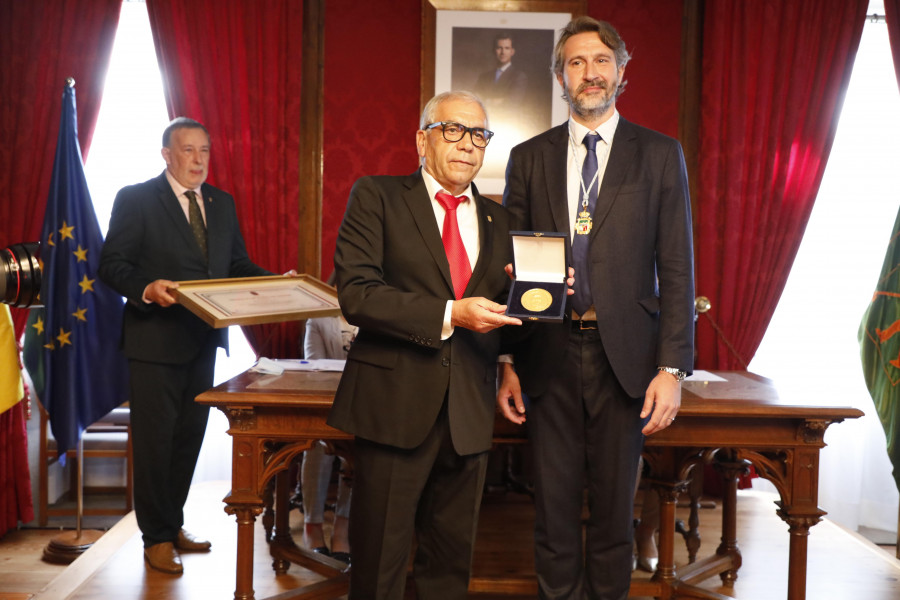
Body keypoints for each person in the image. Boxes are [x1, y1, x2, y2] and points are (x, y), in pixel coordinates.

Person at [496, 16, 695, 600]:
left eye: (601, 61)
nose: (590, 73)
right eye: (577, 62)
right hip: (546, 355)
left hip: (628, 358)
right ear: (560, 75)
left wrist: (673, 368)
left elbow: (677, 267)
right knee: (552, 513)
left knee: (614, 516)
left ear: (621, 73)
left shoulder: (660, 155)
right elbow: (509, 265)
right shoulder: (529, 157)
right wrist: (507, 358)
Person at [327, 90, 522, 599]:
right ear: (422, 139)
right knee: (378, 566)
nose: (468, 144)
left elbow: (505, 306)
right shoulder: (378, 196)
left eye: (479, 134)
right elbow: (357, 295)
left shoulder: (499, 221)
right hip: (394, 408)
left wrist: (545, 295)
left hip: (469, 414)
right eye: (453, 130)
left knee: (450, 567)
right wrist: (448, 314)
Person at [99, 117, 281, 576]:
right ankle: (155, 538)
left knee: (186, 442)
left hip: (203, 341)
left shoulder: (221, 204)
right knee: (156, 446)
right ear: (166, 154)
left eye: (204, 151)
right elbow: (112, 265)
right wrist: (146, 287)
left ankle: (172, 524)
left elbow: (235, 264)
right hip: (154, 342)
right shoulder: (135, 199)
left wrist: (276, 283)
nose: (198, 160)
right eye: (188, 151)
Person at [298, 290, 356, 564]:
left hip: (366, 399)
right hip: (325, 399)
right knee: (318, 446)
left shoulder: (376, 311)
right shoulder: (319, 318)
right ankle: (313, 525)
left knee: (360, 451)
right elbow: (313, 364)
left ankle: (343, 527)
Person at [473, 32, 528, 110]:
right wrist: (499, 101)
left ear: (512, 52)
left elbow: (511, 103)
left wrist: (486, 101)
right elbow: (475, 101)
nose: (503, 52)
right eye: (499, 48)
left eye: (507, 48)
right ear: (494, 50)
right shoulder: (484, 77)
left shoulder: (519, 76)